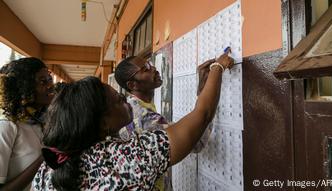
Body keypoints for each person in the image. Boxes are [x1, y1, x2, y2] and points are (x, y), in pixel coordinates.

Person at [32, 52, 234, 190]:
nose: (126, 103)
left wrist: (202, 89)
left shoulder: (47, 170)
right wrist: (217, 67)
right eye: (120, 100)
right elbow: (198, 126)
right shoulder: (127, 156)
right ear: (102, 124)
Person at [115, 56, 171, 191]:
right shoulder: (144, 117)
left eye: (150, 64)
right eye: (146, 69)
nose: (154, 69)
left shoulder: (131, 106)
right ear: (133, 85)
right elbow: (196, 143)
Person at [0, 57, 54, 191]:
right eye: (43, 81)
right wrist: (43, 159)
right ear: (24, 88)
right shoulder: (8, 126)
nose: (50, 85)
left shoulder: (41, 120)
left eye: (49, 79)